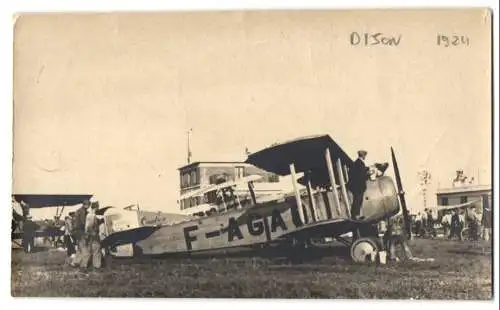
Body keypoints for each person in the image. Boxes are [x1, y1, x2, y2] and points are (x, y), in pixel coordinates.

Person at [347, 150, 369, 220]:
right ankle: (355, 216)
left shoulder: (357, 163)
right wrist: (368, 175)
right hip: (358, 186)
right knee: (357, 200)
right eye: (365, 155)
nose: (365, 157)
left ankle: (356, 215)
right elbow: (361, 174)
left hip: (357, 186)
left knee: (358, 200)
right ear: (363, 156)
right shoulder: (360, 163)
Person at [80, 201, 103, 269]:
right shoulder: (92, 215)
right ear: (96, 207)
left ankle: (84, 265)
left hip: (89, 234)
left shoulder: (89, 215)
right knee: (97, 249)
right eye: (98, 206)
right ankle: (96, 265)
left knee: (88, 250)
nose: (98, 208)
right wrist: (92, 232)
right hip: (93, 234)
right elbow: (90, 226)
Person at [70, 199, 91, 267]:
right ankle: (83, 265)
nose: (89, 206)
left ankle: (74, 263)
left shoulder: (78, 211)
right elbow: (83, 222)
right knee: (84, 249)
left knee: (79, 249)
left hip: (75, 232)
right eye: (88, 205)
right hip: (80, 231)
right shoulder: (82, 212)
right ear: (86, 205)